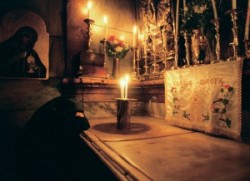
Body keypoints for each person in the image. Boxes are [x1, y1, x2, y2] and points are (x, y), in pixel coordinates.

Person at [1, 79, 117, 181]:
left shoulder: (55, 107)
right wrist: (79, 113)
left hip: (28, 154)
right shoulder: (66, 109)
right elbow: (84, 124)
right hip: (30, 161)